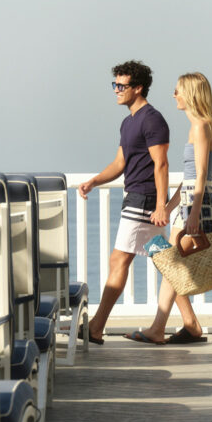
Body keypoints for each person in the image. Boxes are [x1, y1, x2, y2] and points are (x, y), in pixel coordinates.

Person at [129, 72, 212, 347]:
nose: (174, 95)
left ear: (190, 94)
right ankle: (160, 327)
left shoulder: (200, 126)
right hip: (192, 200)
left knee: (184, 263)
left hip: (198, 203)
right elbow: (190, 178)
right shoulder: (200, 126)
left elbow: (200, 176)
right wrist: (167, 207)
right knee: (186, 264)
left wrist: (194, 213)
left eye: (178, 90)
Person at [80, 60, 171, 344]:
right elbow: (120, 163)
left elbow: (161, 164)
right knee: (166, 262)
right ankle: (191, 323)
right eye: (115, 85)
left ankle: (96, 327)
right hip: (136, 197)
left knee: (119, 259)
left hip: (144, 200)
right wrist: (94, 181)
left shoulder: (152, 119)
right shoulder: (128, 122)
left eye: (122, 85)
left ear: (138, 88)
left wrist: (160, 205)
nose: (116, 90)